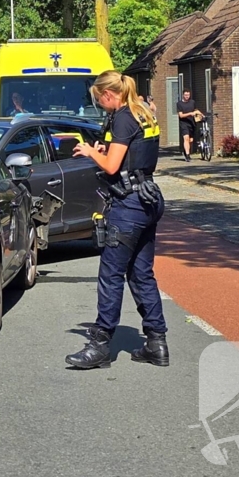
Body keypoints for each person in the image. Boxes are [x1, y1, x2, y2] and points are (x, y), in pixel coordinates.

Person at [66, 70, 168, 370]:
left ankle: (100, 346)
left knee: (111, 275)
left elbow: (112, 167)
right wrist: (105, 150)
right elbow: (133, 156)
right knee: (141, 274)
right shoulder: (144, 112)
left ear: (110, 95)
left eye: (100, 100)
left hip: (129, 205)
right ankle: (156, 342)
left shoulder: (123, 116)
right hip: (149, 197)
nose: (101, 105)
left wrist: (89, 151)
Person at [176, 90, 203, 162]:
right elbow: (181, 115)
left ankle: (185, 151)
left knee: (191, 140)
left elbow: (196, 110)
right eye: (185, 95)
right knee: (186, 138)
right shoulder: (179, 104)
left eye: (188, 95)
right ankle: (187, 156)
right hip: (184, 123)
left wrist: (202, 115)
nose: (187, 96)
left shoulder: (192, 102)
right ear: (183, 95)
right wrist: (190, 113)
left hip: (192, 123)